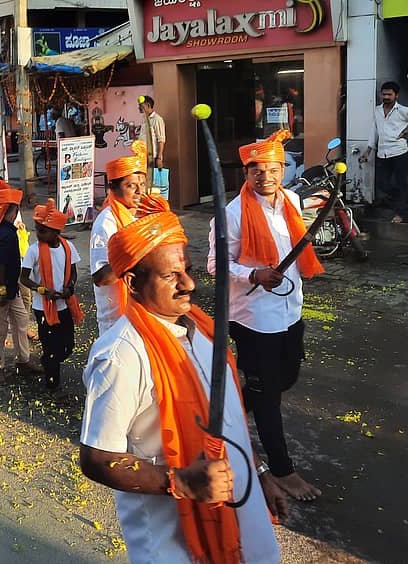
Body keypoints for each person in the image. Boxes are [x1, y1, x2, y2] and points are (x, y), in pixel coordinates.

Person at [80, 211, 286, 564]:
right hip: (174, 543)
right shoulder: (121, 356)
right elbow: (97, 458)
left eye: (187, 270)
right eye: (169, 276)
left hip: (243, 516)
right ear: (131, 283)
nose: (189, 284)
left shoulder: (203, 332)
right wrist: (180, 482)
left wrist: (259, 471)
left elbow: (226, 419)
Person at [208, 129, 325, 502]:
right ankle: (282, 469)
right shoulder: (231, 215)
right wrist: (253, 274)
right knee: (270, 393)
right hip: (254, 318)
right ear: (246, 174)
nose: (266, 177)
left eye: (273, 169)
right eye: (257, 171)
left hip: (290, 311)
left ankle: (238, 404)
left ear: (283, 170)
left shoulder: (291, 200)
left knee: (286, 375)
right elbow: (216, 265)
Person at [19, 198, 83, 389]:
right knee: (50, 346)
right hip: (43, 308)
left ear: (56, 232)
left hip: (63, 305)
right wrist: (42, 290)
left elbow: (73, 273)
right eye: (37, 229)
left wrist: (69, 288)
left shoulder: (68, 248)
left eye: (42, 230)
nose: (38, 234)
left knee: (67, 345)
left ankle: (48, 361)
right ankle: (52, 385)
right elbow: (24, 278)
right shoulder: (33, 251)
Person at [0, 180, 42, 384]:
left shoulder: (5, 229)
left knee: (21, 322)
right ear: (13, 209)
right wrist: (2, 289)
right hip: (1, 289)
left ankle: (22, 360)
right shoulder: (5, 233)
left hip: (10, 288)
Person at [90, 140, 146, 335]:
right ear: (113, 188)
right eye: (131, 185)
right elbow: (100, 277)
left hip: (142, 314)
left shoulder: (140, 216)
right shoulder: (106, 223)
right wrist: (136, 254)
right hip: (116, 321)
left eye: (142, 184)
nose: (140, 192)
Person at [360, 81, 408, 224]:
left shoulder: (402, 110)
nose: (386, 97)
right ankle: (404, 199)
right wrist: (368, 150)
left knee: (401, 183)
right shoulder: (377, 110)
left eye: (389, 94)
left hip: (399, 152)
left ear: (396, 95)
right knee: (382, 183)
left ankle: (401, 213)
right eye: (384, 94)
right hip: (382, 153)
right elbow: (374, 130)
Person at [138, 95, 166, 171]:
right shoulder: (145, 120)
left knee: (153, 180)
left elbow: (161, 139)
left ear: (148, 105)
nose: (139, 108)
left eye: (141, 106)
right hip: (143, 156)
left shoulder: (157, 119)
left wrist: (159, 158)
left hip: (152, 157)